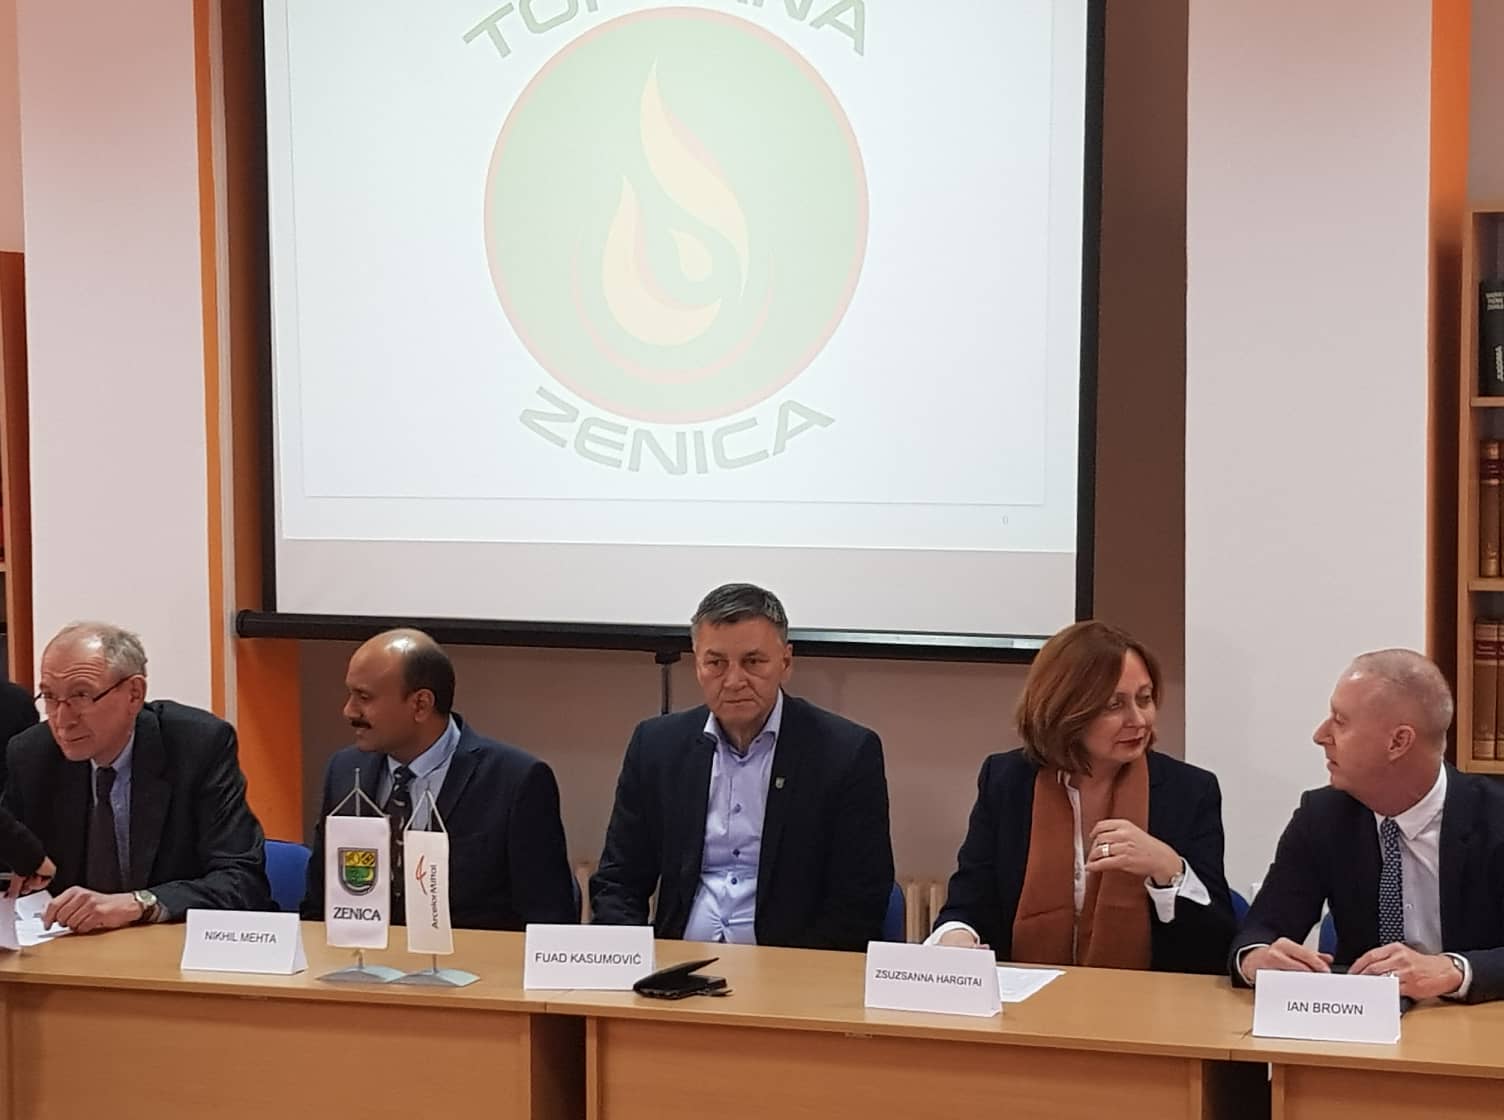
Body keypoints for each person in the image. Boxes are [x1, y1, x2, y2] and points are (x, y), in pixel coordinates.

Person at [591, 582, 894, 950]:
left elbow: (859, 900)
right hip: (677, 963)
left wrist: (788, 974)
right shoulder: (656, 746)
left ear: (785, 662)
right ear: (697, 664)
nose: (734, 681)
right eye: (716, 663)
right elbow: (618, 880)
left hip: (790, 965)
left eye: (753, 662)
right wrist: (629, 960)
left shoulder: (845, 753)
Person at [929, 620, 1235, 974]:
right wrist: (957, 938)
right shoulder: (1007, 781)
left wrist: (1169, 870)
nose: (1138, 719)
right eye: (1114, 705)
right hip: (1024, 997)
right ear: (1066, 711)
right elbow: (968, 903)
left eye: (1145, 699)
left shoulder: (1189, 791)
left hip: (1146, 1000)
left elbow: (1216, 946)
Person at [1232, 649, 1504, 1003]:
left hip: (1474, 1023)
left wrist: (1456, 971)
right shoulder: (1322, 817)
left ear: (1398, 742)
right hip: (1360, 1024)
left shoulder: (1494, 816)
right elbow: (1262, 927)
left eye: (1340, 721)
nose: (1320, 735)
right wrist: (1255, 959)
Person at [0, 622, 271, 931]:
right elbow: (12, 866)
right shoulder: (32, 755)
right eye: (50, 697)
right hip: (70, 952)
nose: (62, 719)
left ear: (134, 694)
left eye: (81, 695)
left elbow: (242, 882)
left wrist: (138, 904)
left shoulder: (196, 746)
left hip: (171, 949)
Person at [302, 628, 577, 929]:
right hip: (359, 953)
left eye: (364, 697)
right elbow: (318, 906)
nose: (348, 711)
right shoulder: (344, 770)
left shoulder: (515, 781)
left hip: (476, 956)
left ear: (421, 704)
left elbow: (548, 920)